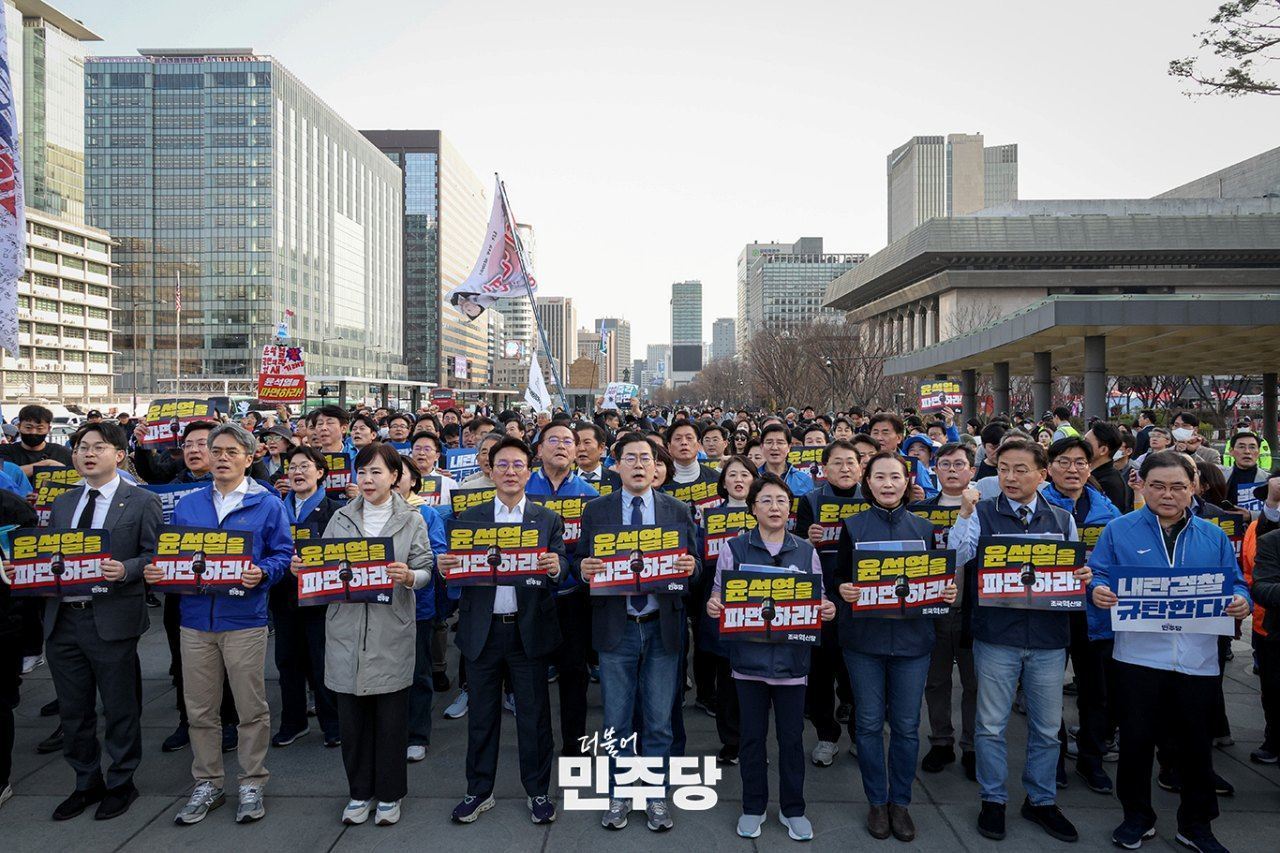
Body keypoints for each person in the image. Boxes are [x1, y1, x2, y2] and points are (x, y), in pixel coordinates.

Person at [1091, 451, 1251, 852]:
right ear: (1141, 486)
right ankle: (1136, 817)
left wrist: (1241, 600)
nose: (1168, 494)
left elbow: (1236, 582)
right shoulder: (1118, 529)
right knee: (1136, 742)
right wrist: (1098, 589)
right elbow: (1099, 573)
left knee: (1196, 746)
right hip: (1137, 657)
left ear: (1193, 488)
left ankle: (1196, 825)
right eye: (1158, 486)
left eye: (1178, 486)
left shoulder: (1212, 535)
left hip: (1198, 659)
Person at [144, 423, 293, 826]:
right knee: (200, 708)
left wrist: (263, 572)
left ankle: (252, 780)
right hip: (195, 620)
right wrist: (158, 571)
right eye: (217, 451)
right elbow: (172, 555)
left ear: (249, 458)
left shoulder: (268, 504)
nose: (222, 458)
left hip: (244, 619)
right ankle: (207, 781)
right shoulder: (189, 505)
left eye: (231, 451)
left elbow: (283, 554)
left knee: (250, 707)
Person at [950, 437, 1090, 844]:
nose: (1010, 477)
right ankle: (993, 799)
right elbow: (957, 556)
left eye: (1020, 470)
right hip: (997, 635)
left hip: (1048, 638)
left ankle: (1041, 800)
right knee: (990, 725)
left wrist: (1082, 574)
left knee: (1046, 728)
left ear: (1042, 475)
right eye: (1003, 469)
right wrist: (964, 513)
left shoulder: (1061, 518)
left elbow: (1074, 568)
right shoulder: (983, 513)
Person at [33, 422, 162, 821]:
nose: (87, 453)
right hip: (62, 621)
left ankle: (122, 781)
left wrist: (126, 569)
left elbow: (154, 554)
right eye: (81, 447)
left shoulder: (141, 501)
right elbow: (49, 555)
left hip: (111, 618)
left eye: (98, 447)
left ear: (119, 455)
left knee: (120, 707)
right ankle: (86, 781)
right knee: (74, 710)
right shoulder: (63, 503)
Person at [577, 432, 700, 832]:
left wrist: (691, 568)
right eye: (630, 458)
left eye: (646, 458)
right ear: (616, 465)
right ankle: (619, 792)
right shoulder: (596, 510)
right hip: (617, 628)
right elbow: (579, 560)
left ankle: (656, 794)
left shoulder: (676, 509)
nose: (639, 465)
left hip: (662, 627)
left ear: (656, 465)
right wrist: (584, 569)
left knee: (659, 720)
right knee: (616, 720)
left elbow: (696, 564)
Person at [442, 437, 567, 826]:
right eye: (502, 465)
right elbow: (455, 570)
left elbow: (564, 562)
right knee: (482, 717)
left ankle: (538, 791)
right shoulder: (470, 518)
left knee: (534, 717)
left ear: (529, 472)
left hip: (528, 632)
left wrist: (556, 566)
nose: (510, 472)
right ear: (490, 470)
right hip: (482, 631)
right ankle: (479, 790)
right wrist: (446, 567)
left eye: (518, 465)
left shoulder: (546, 519)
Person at [307, 443, 433, 826]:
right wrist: (305, 569)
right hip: (345, 630)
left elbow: (425, 567)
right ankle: (359, 792)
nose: (367, 479)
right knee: (353, 722)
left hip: (389, 629)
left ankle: (391, 795)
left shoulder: (411, 519)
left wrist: (409, 577)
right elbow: (324, 565)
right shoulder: (341, 516)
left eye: (376, 472)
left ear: (395, 476)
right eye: (361, 472)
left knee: (391, 722)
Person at [836, 453, 958, 842]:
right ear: (867, 482)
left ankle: (900, 802)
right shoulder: (852, 526)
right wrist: (843, 590)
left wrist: (946, 591)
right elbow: (838, 578)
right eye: (880, 477)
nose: (888, 484)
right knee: (869, 724)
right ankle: (877, 800)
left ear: (907, 482)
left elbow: (935, 580)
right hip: (864, 642)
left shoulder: (925, 528)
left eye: (895, 477)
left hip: (913, 642)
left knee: (906, 726)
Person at [706, 473, 834, 841]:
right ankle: (753, 805)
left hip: (792, 663)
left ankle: (793, 809)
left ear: (790, 509)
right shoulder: (734, 548)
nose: (774, 507)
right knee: (751, 738)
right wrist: (715, 604)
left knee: (792, 739)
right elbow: (718, 592)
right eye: (766, 500)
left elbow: (820, 596)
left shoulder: (806, 551)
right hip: (749, 662)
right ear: (753, 508)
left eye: (781, 501)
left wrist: (826, 608)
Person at [1041, 437, 1121, 795]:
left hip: (1096, 615)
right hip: (1051, 613)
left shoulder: (1109, 511)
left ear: (1090, 468)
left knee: (1097, 693)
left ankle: (1092, 759)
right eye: (1063, 462)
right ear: (1049, 468)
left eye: (1080, 462)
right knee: (1047, 693)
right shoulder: (1036, 506)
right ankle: (1053, 760)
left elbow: (1120, 561)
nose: (1072, 469)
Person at [526, 423, 598, 755]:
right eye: (552, 439)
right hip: (530, 596)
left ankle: (574, 744)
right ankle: (536, 746)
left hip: (573, 599)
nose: (561, 446)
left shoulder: (590, 495)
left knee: (574, 676)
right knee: (531, 677)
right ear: (539, 449)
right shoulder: (522, 487)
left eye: (568, 441)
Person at [793, 439, 862, 767]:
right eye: (837, 462)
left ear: (860, 467)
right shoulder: (810, 500)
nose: (845, 468)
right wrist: (808, 540)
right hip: (822, 596)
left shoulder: (872, 497)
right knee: (821, 669)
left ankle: (860, 734)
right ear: (824, 469)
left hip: (861, 596)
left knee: (858, 670)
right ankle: (826, 735)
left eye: (851, 462)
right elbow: (795, 547)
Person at [272, 446, 342, 749]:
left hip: (320, 599)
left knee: (321, 660)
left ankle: (332, 723)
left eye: (305, 466)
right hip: (283, 595)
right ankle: (293, 722)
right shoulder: (275, 508)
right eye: (292, 467)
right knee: (287, 661)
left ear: (320, 472)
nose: (297, 472)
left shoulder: (336, 509)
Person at [917, 441, 978, 780]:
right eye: (945, 464)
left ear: (972, 470)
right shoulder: (920, 510)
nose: (952, 470)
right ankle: (941, 741)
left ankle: (972, 745)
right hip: (933, 608)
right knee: (937, 680)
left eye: (959, 464)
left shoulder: (988, 510)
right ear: (935, 470)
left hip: (973, 608)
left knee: (974, 682)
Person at [697, 455, 755, 765]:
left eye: (745, 474)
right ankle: (731, 741)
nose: (739, 480)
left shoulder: (767, 513)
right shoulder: (710, 517)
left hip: (757, 605)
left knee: (753, 681)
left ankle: (753, 742)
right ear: (723, 482)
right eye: (732, 474)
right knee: (726, 678)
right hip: (720, 604)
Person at [390, 460, 448, 763]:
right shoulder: (367, 512)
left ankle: (417, 735)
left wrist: (409, 567)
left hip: (416, 603)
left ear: (413, 481)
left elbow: (437, 553)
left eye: (400, 474)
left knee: (417, 672)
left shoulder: (426, 514)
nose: (393, 478)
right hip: (377, 605)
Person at [0, 403, 74, 478]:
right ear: (19, 427)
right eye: (28, 427)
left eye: (39, 428)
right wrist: (46, 464)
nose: (33, 432)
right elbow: (4, 474)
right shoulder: (4, 451)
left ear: (48, 429)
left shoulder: (63, 452)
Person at [1221, 432, 1270, 519]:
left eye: (1252, 447)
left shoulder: (1270, 481)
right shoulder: (1221, 476)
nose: (1247, 451)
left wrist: (1251, 515)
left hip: (1258, 527)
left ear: (1258, 452)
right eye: (1241, 447)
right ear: (1231, 451)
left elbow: (1275, 513)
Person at [758, 423, 814, 496]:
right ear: (761, 447)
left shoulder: (804, 480)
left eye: (780, 443)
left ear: (789, 447)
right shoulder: (753, 477)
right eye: (769, 442)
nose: (774, 447)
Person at [575, 421, 622, 494]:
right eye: (577, 443)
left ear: (601, 448)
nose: (581, 448)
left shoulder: (617, 480)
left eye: (587, 443)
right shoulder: (564, 481)